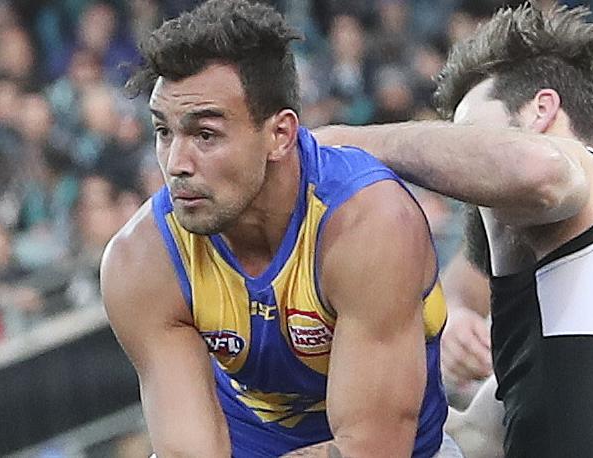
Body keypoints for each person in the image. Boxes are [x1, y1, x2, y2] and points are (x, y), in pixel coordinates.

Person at [100, 1, 452, 457]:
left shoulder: (370, 224)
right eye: (164, 132)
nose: (175, 164)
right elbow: (189, 451)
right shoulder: (141, 259)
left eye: (205, 135)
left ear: (280, 135)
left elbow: (372, 450)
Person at [315, 3, 593, 457]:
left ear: (541, 111)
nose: (464, 184)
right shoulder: (550, 306)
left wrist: (335, 142)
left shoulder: (591, 177)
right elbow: (474, 439)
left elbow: (539, 169)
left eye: (468, 133)